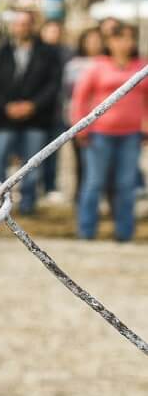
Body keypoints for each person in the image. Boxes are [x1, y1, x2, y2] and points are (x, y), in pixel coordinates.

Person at [71, 23, 147, 241]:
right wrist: (80, 127)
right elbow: (80, 97)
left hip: (131, 134)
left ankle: (124, 233)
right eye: (121, 38)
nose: (126, 43)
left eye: (130, 38)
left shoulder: (141, 67)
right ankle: (86, 231)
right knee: (94, 182)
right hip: (100, 134)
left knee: (126, 184)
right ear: (110, 42)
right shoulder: (97, 66)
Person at [0, 7, 63, 217]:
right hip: (4, 118)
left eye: (25, 24)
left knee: (32, 163)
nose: (21, 28)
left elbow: (53, 84)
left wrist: (33, 105)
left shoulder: (47, 53)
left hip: (36, 118)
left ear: (32, 26)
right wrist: (6, 106)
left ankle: (28, 203)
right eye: (18, 23)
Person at [64, 26, 107, 200]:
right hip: (80, 120)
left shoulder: (110, 64)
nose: (94, 44)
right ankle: (80, 196)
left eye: (97, 40)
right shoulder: (74, 65)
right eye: (90, 40)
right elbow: (69, 94)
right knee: (81, 162)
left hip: (105, 123)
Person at [38, 18, 71, 202]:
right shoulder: (35, 52)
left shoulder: (67, 53)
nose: (53, 35)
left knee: (53, 149)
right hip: (37, 110)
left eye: (56, 31)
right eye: (49, 31)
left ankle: (50, 185)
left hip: (58, 108)